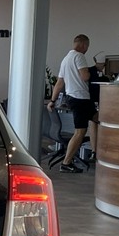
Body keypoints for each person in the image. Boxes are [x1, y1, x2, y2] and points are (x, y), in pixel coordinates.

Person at [47, 34, 97, 173]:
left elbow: (59, 83)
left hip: (74, 98)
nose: (87, 49)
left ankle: (95, 152)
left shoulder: (66, 59)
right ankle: (66, 163)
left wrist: (52, 101)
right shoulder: (79, 56)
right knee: (80, 132)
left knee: (97, 119)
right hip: (80, 98)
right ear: (83, 45)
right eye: (87, 46)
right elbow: (85, 76)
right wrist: (94, 70)